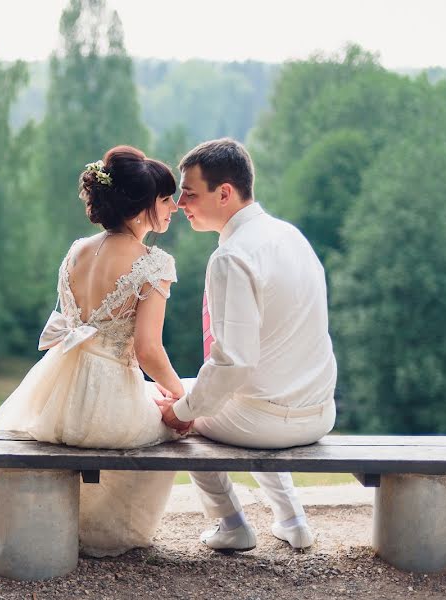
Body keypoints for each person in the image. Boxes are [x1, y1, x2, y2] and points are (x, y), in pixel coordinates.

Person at [0, 145, 184, 568]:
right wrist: (179, 395)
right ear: (142, 208)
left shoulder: (76, 251)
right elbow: (148, 350)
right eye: (166, 199)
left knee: (158, 411)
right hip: (107, 404)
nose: (174, 207)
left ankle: (75, 522)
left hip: (51, 396)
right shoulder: (152, 264)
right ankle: (103, 528)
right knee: (174, 427)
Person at [156, 138, 337, 551]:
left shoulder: (232, 256)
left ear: (224, 193)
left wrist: (182, 411)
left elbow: (233, 364)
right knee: (222, 399)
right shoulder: (291, 236)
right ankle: (292, 520)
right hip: (320, 412)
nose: (181, 204)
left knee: (179, 405)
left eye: (190, 194)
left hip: (270, 422)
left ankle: (232, 524)